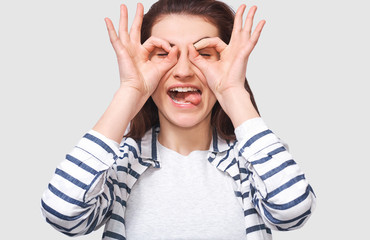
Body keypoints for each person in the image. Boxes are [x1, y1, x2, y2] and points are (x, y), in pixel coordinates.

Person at [41, 0, 316, 239]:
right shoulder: (121, 164)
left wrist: (233, 90)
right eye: (164, 54)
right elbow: (63, 215)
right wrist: (130, 90)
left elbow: (292, 212)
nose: (183, 71)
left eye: (204, 54)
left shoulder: (252, 161)